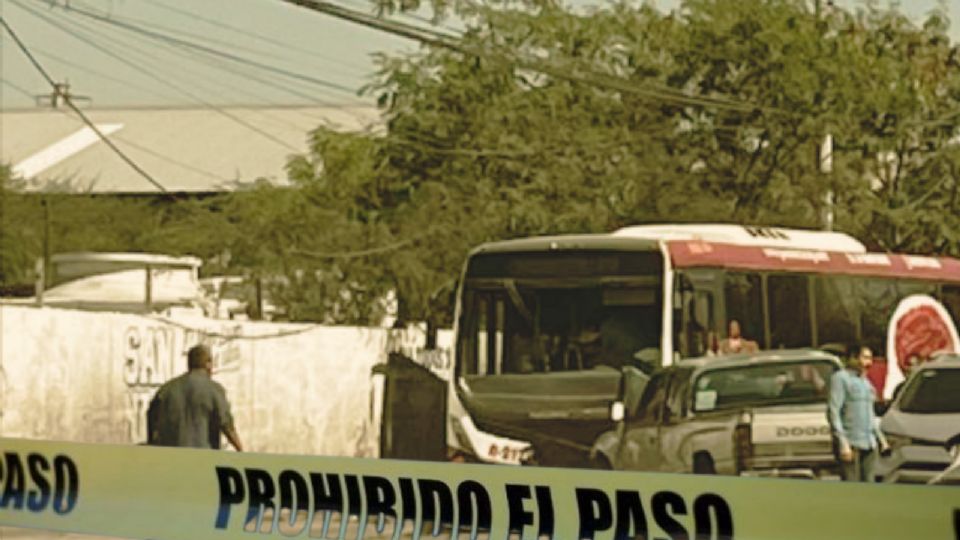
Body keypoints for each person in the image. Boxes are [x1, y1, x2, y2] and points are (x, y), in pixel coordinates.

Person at [147, 344, 244, 451]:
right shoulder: (214, 390)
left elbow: (151, 419)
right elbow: (227, 426)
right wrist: (240, 449)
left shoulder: (165, 390)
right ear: (208, 364)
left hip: (171, 459)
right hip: (202, 458)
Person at [827, 344, 888, 482]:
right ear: (853, 358)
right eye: (865, 358)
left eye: (870, 359)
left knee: (869, 483)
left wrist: (882, 440)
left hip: (869, 442)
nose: (869, 363)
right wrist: (843, 443)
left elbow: (870, 414)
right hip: (851, 442)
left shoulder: (866, 382)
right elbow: (834, 412)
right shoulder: (840, 378)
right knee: (852, 484)